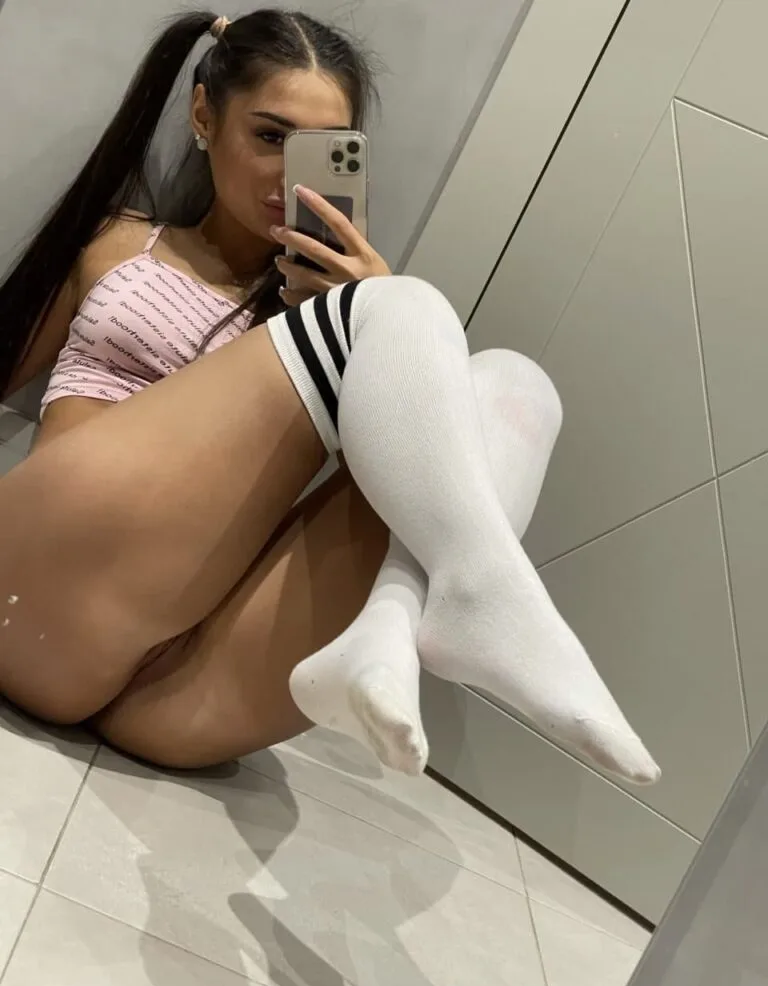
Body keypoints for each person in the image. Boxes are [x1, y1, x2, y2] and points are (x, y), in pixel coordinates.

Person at [0, 9, 660, 785]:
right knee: (405, 305)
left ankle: (393, 624)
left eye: (324, 151)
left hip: (183, 693)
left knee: (519, 385)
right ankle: (481, 600)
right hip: (42, 607)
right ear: (204, 115)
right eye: (271, 136)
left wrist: (366, 319)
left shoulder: (346, 318)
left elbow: (375, 501)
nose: (292, 176)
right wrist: (377, 312)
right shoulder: (117, 242)